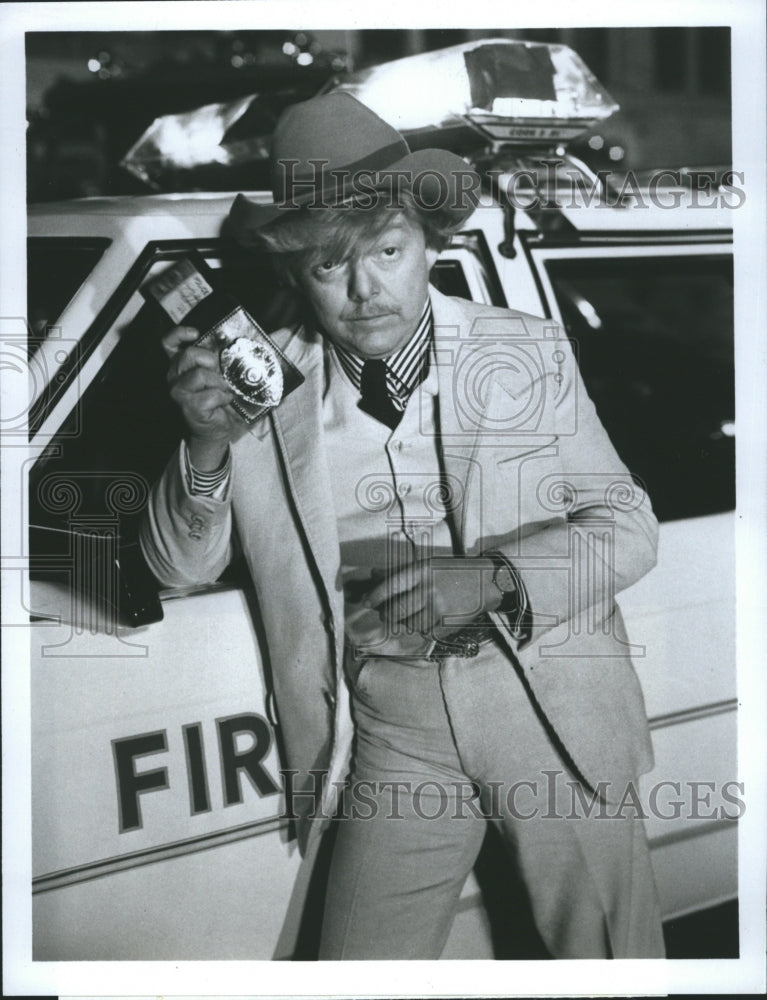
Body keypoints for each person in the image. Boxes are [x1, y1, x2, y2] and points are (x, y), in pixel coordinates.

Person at [140, 91, 665, 959]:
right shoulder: (262, 393)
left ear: (427, 244)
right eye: (326, 266)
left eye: (387, 251)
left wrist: (496, 578)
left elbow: (629, 526)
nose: (364, 290)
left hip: (543, 706)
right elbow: (176, 567)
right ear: (292, 272)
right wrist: (204, 444)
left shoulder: (520, 350)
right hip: (392, 724)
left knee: (607, 957)